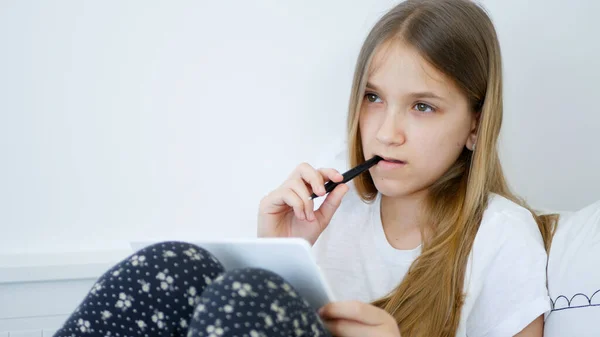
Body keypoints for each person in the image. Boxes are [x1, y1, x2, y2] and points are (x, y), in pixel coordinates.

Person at [54, 0, 557, 336]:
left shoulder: (501, 236)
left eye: (422, 106)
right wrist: (279, 250)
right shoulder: (334, 195)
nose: (386, 132)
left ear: (476, 124)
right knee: (174, 263)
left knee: (246, 292)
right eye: (374, 98)